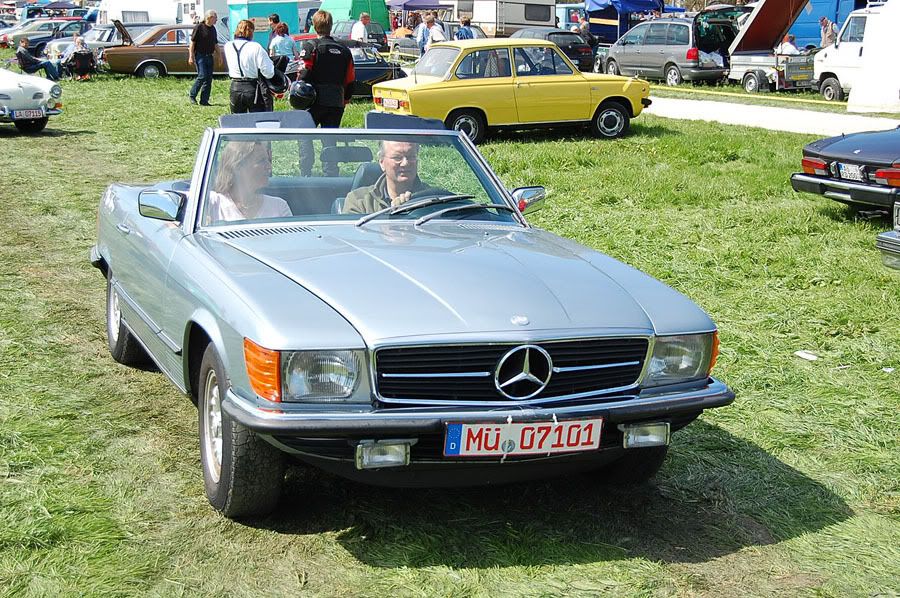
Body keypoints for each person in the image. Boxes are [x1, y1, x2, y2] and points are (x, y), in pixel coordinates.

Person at [298, 10, 355, 176]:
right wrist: (345, 99)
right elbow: (351, 79)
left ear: (314, 25)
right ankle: (331, 174)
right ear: (331, 26)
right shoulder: (344, 50)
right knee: (330, 140)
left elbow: (304, 73)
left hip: (313, 101)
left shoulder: (311, 46)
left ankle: (306, 173)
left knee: (305, 137)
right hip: (336, 101)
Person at [206, 141, 291, 224]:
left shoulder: (279, 207)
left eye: (268, 160)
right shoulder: (212, 204)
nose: (269, 167)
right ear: (237, 166)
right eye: (261, 160)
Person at [342, 141, 429, 214]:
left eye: (411, 157)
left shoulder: (432, 199)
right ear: (382, 162)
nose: (405, 163)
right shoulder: (359, 201)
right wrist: (395, 214)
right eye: (397, 157)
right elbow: (352, 233)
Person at [224, 19, 275, 114]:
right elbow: (268, 72)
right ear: (251, 32)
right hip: (252, 87)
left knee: (237, 122)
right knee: (258, 121)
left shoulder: (228, 46)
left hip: (235, 87)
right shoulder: (256, 47)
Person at [188, 10, 219, 106]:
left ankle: (204, 100)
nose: (216, 20)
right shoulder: (199, 27)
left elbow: (215, 44)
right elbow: (192, 43)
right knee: (202, 76)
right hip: (200, 56)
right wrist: (191, 56)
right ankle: (192, 95)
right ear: (209, 18)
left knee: (208, 79)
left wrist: (220, 55)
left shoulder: (213, 29)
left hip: (209, 56)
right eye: (215, 17)